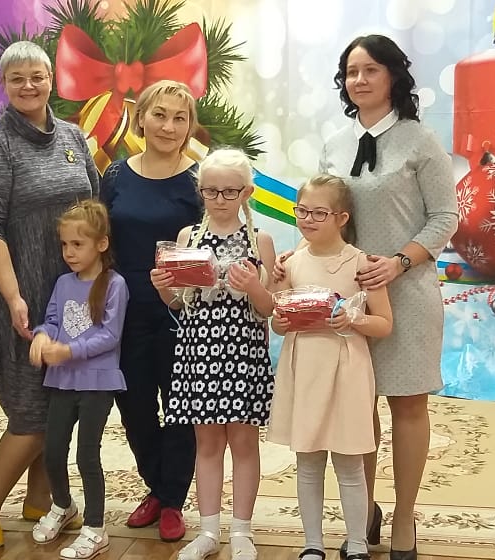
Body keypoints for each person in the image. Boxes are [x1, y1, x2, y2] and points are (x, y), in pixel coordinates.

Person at [278, 35, 458, 559]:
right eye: (351, 71)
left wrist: (399, 261)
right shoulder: (335, 144)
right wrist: (298, 258)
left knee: (407, 405)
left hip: (409, 291)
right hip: (345, 298)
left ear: (393, 76)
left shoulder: (420, 141)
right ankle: (366, 513)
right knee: (358, 410)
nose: (359, 80)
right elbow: (325, 213)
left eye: (370, 70)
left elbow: (445, 217)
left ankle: (404, 516)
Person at [0, 40, 100, 548]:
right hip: (25, 297)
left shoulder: (72, 136)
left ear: (51, 81)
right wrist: (14, 297)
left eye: (37, 76)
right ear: (4, 84)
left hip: (75, 296)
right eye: (17, 77)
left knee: (62, 407)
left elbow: (94, 209)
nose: (28, 85)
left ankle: (42, 500)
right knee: (31, 414)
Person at [152, 148, 275, 560]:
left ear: (247, 193)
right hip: (198, 350)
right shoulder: (188, 238)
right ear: (200, 191)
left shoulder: (260, 241)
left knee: (243, 441)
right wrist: (163, 287)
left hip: (243, 351)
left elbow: (269, 308)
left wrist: (253, 286)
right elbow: (177, 303)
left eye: (229, 192)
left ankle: (241, 531)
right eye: (211, 191)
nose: (220, 199)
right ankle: (207, 530)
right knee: (206, 443)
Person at [269, 174, 394, 560]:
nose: (308, 219)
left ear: (341, 218)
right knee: (307, 461)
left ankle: (357, 543)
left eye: (319, 213)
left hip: (347, 371)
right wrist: (280, 316)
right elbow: (277, 321)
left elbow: (384, 324)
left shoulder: (362, 264)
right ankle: (312, 544)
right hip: (304, 369)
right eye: (302, 211)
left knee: (350, 462)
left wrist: (354, 319)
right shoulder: (291, 263)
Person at [100, 80, 203, 542]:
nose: (168, 126)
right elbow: (101, 241)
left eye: (180, 118)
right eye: (159, 115)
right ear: (140, 118)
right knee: (135, 407)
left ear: (190, 126)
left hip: (182, 311)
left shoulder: (199, 180)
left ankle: (172, 500)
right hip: (125, 311)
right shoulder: (116, 176)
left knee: (180, 408)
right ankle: (157, 487)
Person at [29, 200, 129, 559]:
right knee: (53, 450)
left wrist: (69, 351)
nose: (68, 252)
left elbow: (110, 336)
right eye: (64, 244)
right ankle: (63, 505)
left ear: (101, 244)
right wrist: (42, 336)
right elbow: (53, 320)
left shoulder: (115, 285)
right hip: (61, 381)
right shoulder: (63, 283)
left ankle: (95, 528)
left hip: (97, 384)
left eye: (77, 244)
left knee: (87, 455)